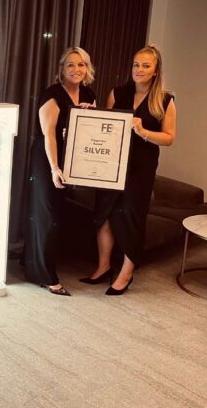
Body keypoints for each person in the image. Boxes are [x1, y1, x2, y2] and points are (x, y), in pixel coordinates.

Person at [81, 45, 176, 295]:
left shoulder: (165, 100)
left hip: (141, 168)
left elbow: (169, 138)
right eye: (136, 64)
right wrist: (92, 115)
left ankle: (126, 273)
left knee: (132, 218)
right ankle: (103, 267)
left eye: (146, 65)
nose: (139, 70)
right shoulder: (118, 93)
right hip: (112, 164)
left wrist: (144, 132)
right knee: (105, 215)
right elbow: (106, 126)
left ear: (156, 71)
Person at [24, 47, 96, 295]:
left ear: (87, 69)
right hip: (47, 161)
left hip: (70, 160)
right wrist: (55, 168)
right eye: (71, 65)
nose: (76, 69)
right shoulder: (53, 95)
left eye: (81, 65)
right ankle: (45, 276)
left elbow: (90, 133)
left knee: (57, 216)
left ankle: (33, 263)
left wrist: (89, 116)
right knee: (47, 216)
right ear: (62, 69)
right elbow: (49, 136)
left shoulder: (88, 94)